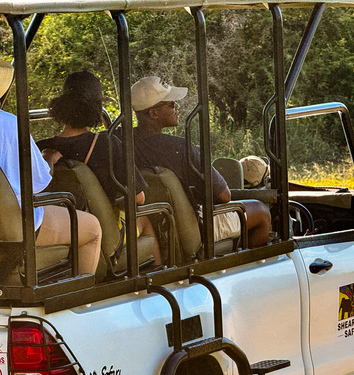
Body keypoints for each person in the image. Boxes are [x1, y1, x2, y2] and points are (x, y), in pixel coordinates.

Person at [131, 76, 271, 247]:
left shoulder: (122, 142)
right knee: (261, 211)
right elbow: (224, 195)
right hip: (190, 227)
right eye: (171, 104)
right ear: (153, 113)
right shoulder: (181, 148)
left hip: (156, 225)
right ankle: (248, 270)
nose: (177, 107)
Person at [37, 70, 161, 264]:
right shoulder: (106, 144)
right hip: (104, 235)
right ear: (96, 108)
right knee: (145, 218)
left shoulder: (40, 147)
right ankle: (159, 277)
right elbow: (138, 198)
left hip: (62, 232)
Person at [0, 60, 101, 276]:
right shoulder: (9, 124)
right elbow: (40, 181)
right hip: (12, 228)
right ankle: (81, 299)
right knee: (92, 228)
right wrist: (49, 161)